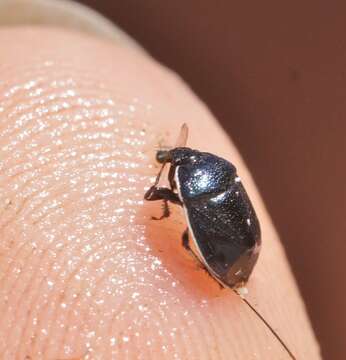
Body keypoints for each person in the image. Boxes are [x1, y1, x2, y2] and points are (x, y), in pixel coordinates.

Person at [0, 1, 320, 358]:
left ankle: (210, 273)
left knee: (186, 243)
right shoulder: (210, 175)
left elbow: (164, 196)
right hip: (240, 247)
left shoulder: (196, 185)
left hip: (228, 260)